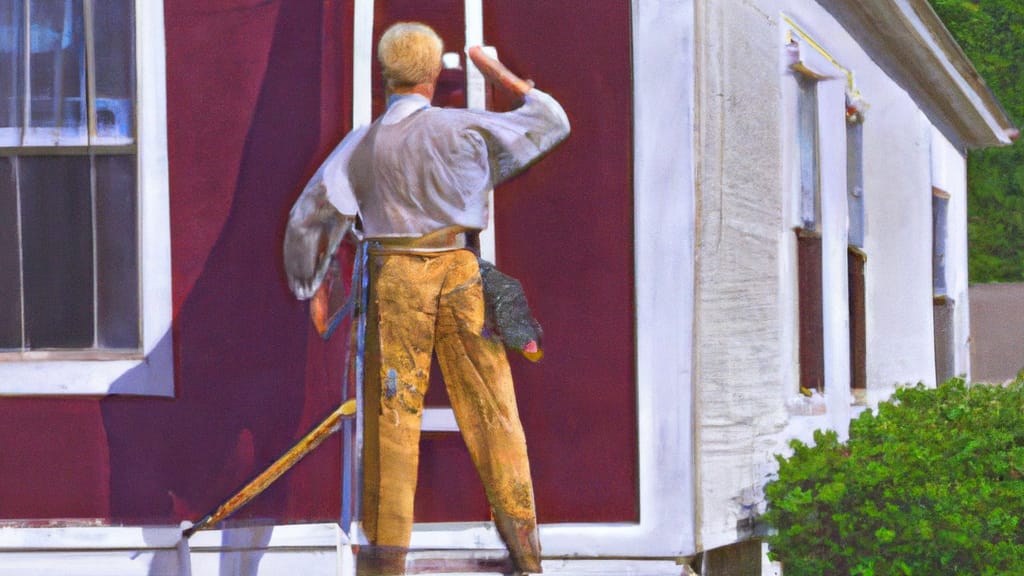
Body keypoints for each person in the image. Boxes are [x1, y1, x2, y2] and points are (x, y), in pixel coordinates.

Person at [284, 21, 569, 575]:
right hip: (459, 274)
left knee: (392, 421)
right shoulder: (463, 130)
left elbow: (307, 220)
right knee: (494, 410)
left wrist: (311, 283)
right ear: (436, 74)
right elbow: (550, 122)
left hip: (394, 282)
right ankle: (527, 556)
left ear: (385, 74)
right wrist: (497, 72)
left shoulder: (361, 143)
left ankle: (386, 564)